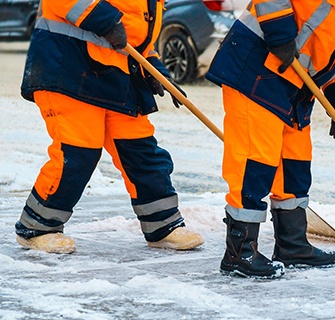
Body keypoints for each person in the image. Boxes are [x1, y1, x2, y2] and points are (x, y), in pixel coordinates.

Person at [206, 0, 335, 278]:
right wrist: (279, 32)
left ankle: (292, 245)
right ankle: (239, 252)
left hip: (295, 87)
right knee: (255, 161)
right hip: (258, 67)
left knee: (295, 164)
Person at [15, 0, 204, 254]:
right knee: (78, 151)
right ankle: (38, 227)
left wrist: (156, 70)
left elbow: (138, 37)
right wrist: (105, 20)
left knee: (140, 149)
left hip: (116, 76)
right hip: (69, 66)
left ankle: (163, 225)